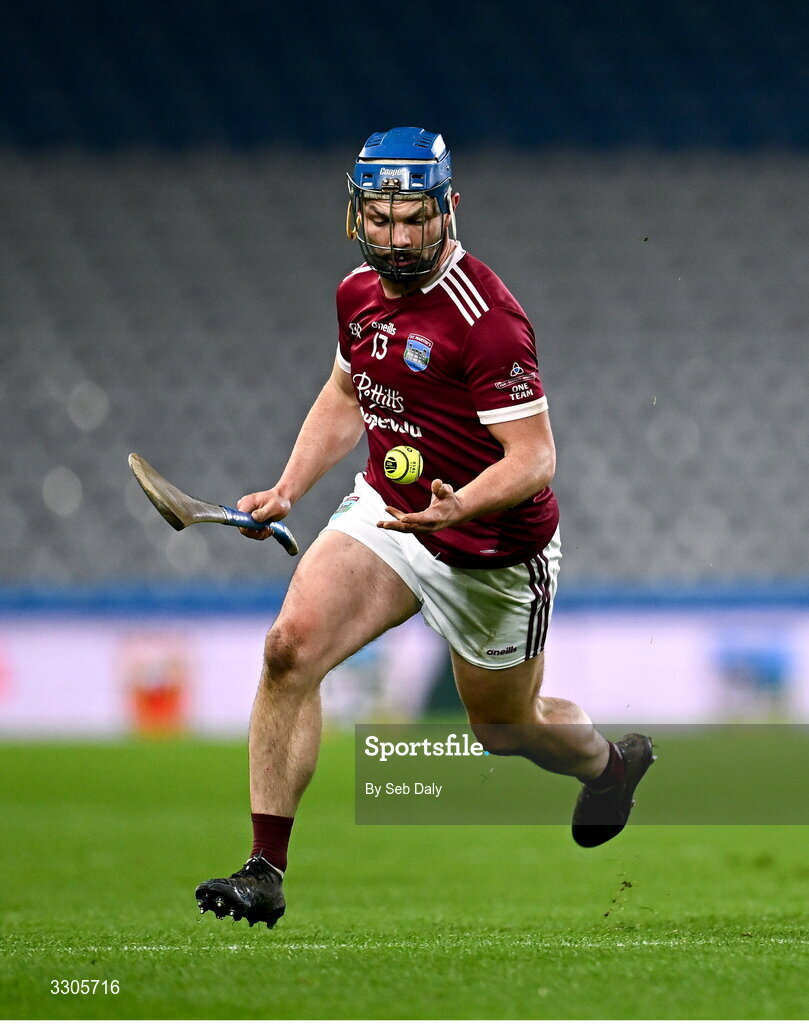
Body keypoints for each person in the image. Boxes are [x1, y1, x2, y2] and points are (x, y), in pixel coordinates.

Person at [195, 127, 655, 929]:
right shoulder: (355, 294)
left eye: (414, 216)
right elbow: (347, 395)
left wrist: (459, 505)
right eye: (380, 218)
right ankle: (264, 867)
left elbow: (534, 458)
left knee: (505, 729)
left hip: (492, 547)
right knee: (288, 650)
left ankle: (609, 767)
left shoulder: (486, 320)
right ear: (355, 216)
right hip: (389, 512)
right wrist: (288, 487)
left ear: (448, 208)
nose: (398, 237)